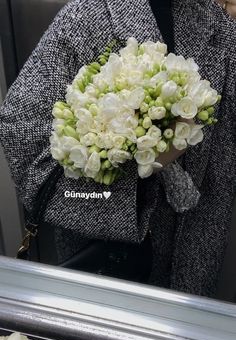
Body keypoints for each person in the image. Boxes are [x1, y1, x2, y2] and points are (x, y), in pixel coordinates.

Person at [0, 0, 236, 297]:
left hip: (194, 246)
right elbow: (21, 132)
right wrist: (131, 178)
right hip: (107, 257)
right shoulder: (86, 16)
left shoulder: (215, 22)